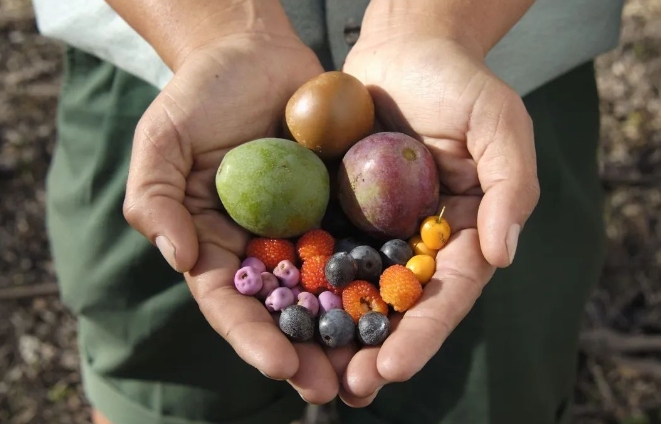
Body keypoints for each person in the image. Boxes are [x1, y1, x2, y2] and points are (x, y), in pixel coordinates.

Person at [32, 0, 625, 423]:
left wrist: (436, 24)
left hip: (495, 69)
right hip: (165, 64)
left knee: (489, 395)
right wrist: (217, 29)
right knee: (165, 392)